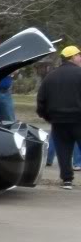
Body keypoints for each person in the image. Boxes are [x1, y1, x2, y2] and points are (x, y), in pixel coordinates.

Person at [37, 45, 81, 189]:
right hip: (78, 119)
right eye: (78, 55)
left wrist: (47, 116)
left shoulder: (51, 76)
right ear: (72, 57)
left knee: (63, 150)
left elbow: (41, 99)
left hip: (58, 120)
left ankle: (67, 180)